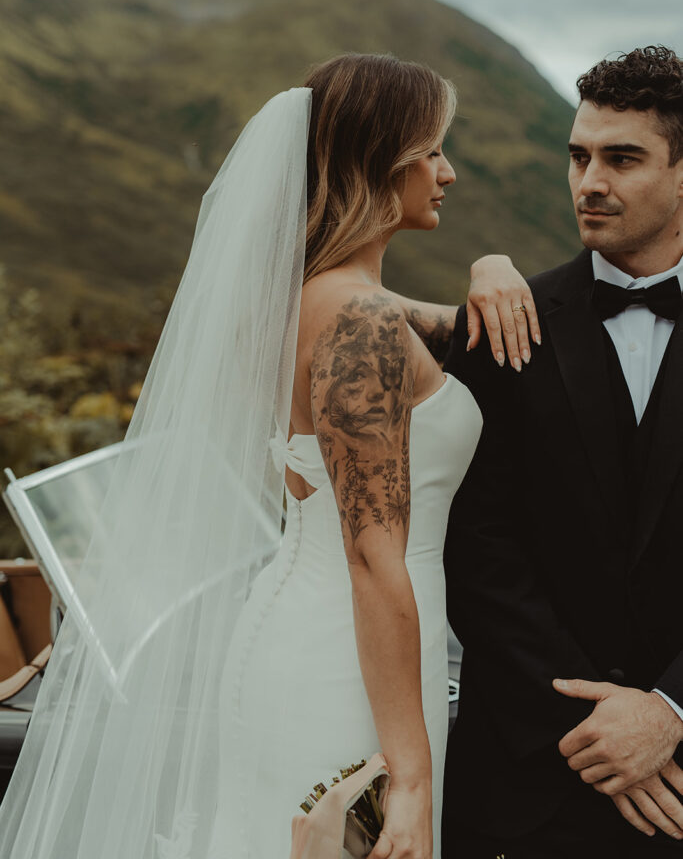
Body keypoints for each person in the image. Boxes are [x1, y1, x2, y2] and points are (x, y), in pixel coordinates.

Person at [0, 52, 536, 859]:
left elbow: (464, 326)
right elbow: (371, 556)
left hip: (340, 641)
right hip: (346, 664)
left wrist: (493, 266)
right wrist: (414, 780)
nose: (447, 171)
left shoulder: (319, 303)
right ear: (376, 158)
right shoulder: (360, 325)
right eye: (430, 150)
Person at [442, 45, 683, 859]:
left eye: (621, 159)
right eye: (577, 156)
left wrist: (668, 710)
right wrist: (595, 724)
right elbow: (475, 550)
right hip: (529, 784)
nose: (588, 182)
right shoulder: (504, 320)